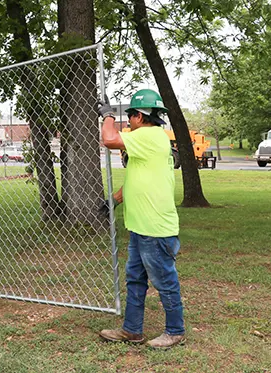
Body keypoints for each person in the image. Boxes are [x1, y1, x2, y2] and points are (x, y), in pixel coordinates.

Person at [97, 89, 185, 349]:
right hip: (140, 227)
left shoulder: (148, 135)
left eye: (130, 116)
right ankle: (132, 330)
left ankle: (175, 331)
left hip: (154, 229)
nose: (128, 123)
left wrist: (108, 115)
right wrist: (114, 199)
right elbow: (141, 179)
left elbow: (109, 139)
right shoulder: (154, 140)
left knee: (164, 281)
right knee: (135, 278)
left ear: (138, 116)